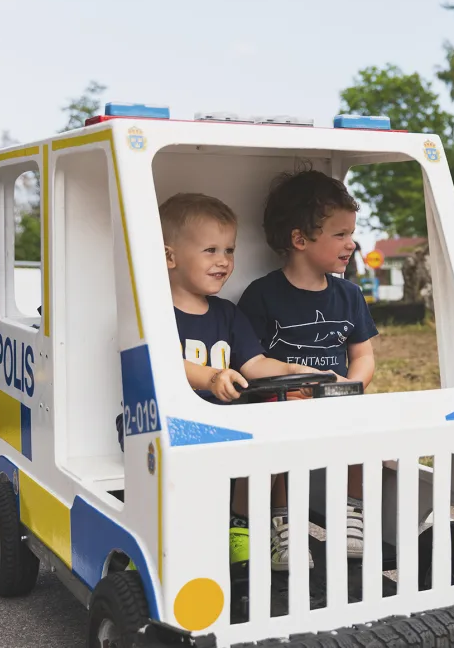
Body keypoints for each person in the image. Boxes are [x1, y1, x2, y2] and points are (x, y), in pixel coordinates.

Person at [160, 192, 318, 569]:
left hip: (227, 421)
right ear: (170, 257)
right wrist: (212, 376)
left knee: (277, 418)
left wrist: (296, 371)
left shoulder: (227, 314)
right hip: (167, 424)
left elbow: (256, 363)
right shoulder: (154, 313)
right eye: (210, 250)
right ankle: (181, 541)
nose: (223, 261)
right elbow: (165, 362)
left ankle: (241, 525)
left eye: (229, 250)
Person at [238, 169, 378, 562]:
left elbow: (363, 355)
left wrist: (352, 386)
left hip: (337, 396)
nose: (351, 244)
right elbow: (253, 362)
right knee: (281, 435)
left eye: (352, 233)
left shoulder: (349, 295)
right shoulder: (263, 295)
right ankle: (285, 526)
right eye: (340, 235)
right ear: (300, 239)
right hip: (282, 402)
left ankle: (353, 514)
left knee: (366, 425)